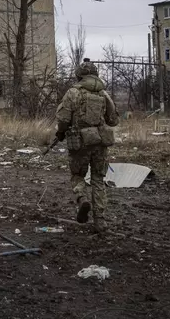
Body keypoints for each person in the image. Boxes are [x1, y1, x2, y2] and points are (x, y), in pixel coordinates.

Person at [55, 58, 119, 232]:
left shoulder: (73, 93)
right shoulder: (103, 94)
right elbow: (113, 121)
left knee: (77, 175)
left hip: (80, 143)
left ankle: (82, 199)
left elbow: (63, 119)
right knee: (98, 179)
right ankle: (100, 221)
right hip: (100, 143)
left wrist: (60, 132)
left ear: (79, 75)